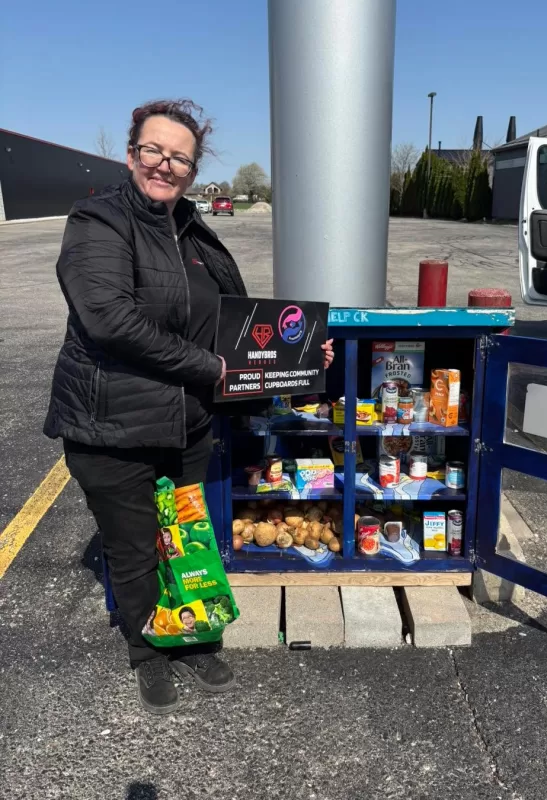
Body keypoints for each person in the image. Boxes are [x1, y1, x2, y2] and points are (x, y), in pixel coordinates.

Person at [44, 99, 335, 716]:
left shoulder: (195, 232)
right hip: (111, 429)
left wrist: (301, 353)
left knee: (187, 539)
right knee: (132, 547)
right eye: (153, 150)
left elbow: (234, 325)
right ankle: (148, 651)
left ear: (192, 170)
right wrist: (211, 369)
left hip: (186, 427)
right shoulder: (97, 222)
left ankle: (195, 637)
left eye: (179, 157)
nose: (165, 164)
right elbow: (110, 320)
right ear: (130, 155)